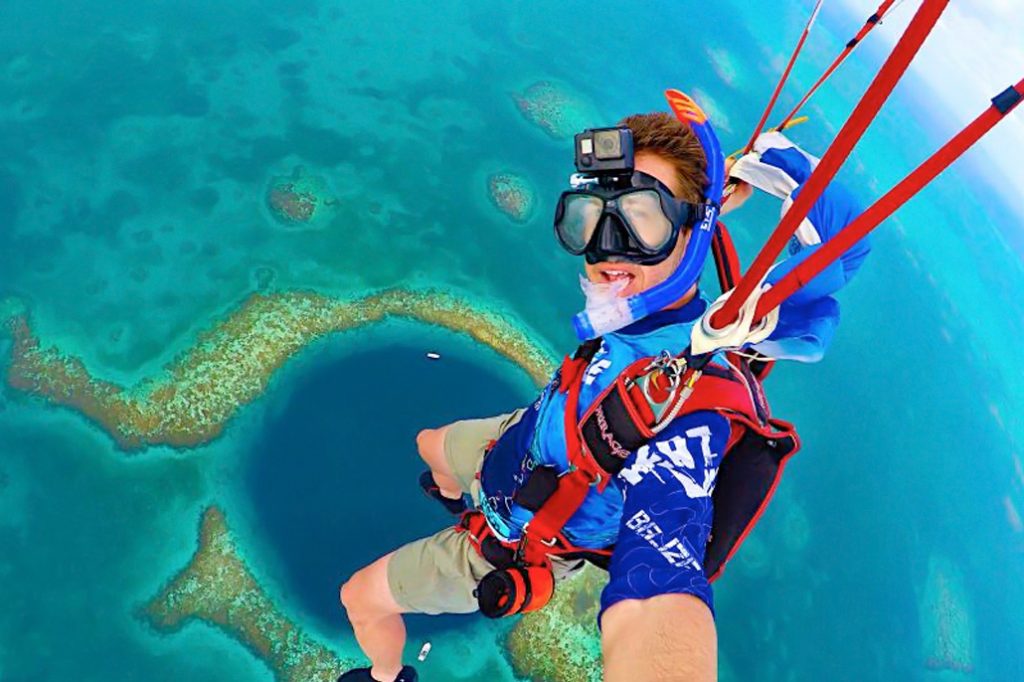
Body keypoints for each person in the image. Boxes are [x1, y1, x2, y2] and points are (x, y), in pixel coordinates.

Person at [337, 99, 867, 682]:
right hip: (526, 440)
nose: (609, 247)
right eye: (592, 217)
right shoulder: (639, 319)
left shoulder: (684, 418)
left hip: (521, 536)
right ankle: (454, 493)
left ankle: (386, 677)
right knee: (429, 443)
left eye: (643, 220)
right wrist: (720, 195)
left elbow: (655, 604)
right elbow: (682, 235)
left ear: (691, 233)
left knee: (358, 598)